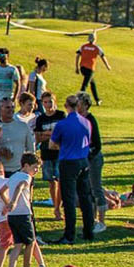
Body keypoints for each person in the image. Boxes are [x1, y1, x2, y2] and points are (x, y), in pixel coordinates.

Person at [49, 93, 96, 244]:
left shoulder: (62, 124)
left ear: (66, 106)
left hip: (68, 161)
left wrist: (63, 145)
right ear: (78, 106)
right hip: (83, 161)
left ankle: (69, 234)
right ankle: (89, 231)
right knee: (85, 197)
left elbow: (52, 144)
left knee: (68, 199)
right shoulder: (87, 122)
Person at [0, 153, 46, 267]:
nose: (36, 171)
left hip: (12, 215)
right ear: (26, 166)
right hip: (23, 215)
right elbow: (20, 187)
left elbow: (1, 191)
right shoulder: (26, 177)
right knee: (30, 242)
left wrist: (7, 204)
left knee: (18, 243)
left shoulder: (13, 176)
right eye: (35, 167)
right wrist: (13, 201)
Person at [75, 92, 108, 233]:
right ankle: (92, 219)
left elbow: (97, 144)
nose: (77, 106)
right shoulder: (76, 119)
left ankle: (101, 221)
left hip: (92, 158)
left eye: (80, 103)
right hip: (82, 158)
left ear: (86, 105)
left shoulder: (90, 119)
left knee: (96, 188)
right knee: (86, 190)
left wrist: (89, 154)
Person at [0, 97, 36, 181]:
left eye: (12, 107)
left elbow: (31, 148)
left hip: (19, 170)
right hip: (0, 171)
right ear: (0, 109)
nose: (11, 110)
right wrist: (0, 151)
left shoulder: (23, 126)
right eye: (7, 107)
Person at [76, 32, 110, 105]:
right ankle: (78, 101)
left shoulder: (83, 46)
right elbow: (103, 57)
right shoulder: (97, 48)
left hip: (82, 68)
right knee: (84, 86)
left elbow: (77, 56)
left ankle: (97, 100)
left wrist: (77, 67)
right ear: (95, 39)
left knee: (92, 83)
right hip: (90, 69)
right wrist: (108, 66)